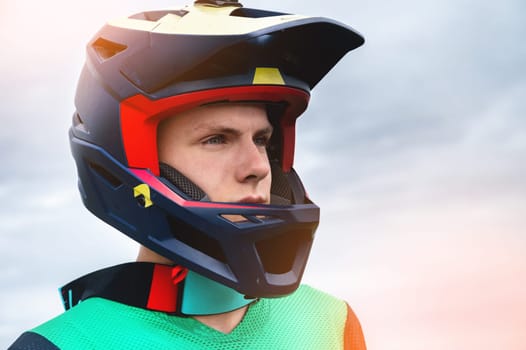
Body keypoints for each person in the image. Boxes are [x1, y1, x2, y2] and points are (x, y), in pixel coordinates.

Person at [9, 0, 365, 348]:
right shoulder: (61, 344)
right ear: (135, 160)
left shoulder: (329, 321)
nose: (257, 167)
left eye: (262, 140)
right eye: (216, 139)